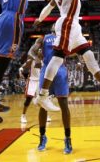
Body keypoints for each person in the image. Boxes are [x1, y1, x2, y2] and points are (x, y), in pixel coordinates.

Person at [28, 26, 72, 154]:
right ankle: (42, 137)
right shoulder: (43, 38)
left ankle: (68, 138)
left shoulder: (65, 38)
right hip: (46, 70)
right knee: (43, 104)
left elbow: (74, 51)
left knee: (64, 104)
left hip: (61, 71)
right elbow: (31, 51)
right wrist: (36, 58)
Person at [19, 49, 57, 124]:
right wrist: (21, 71)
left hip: (40, 81)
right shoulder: (32, 60)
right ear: (36, 52)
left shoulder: (45, 61)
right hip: (32, 81)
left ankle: (46, 116)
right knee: (28, 100)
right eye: (39, 50)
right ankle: (23, 115)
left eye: (41, 50)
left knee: (43, 99)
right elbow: (22, 67)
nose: (40, 51)